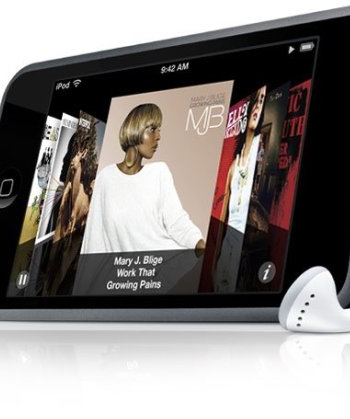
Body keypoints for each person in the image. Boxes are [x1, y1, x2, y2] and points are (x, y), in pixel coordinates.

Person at [81, 103, 205, 253]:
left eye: (159, 130)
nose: (158, 137)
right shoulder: (106, 177)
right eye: (152, 129)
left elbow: (176, 220)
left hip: (162, 263)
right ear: (135, 128)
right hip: (121, 267)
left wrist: (198, 242)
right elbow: (94, 239)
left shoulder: (159, 172)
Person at [214, 85, 267, 292]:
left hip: (246, 250)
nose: (258, 106)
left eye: (262, 101)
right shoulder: (233, 166)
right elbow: (222, 219)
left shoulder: (259, 152)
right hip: (227, 246)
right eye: (256, 100)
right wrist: (215, 261)